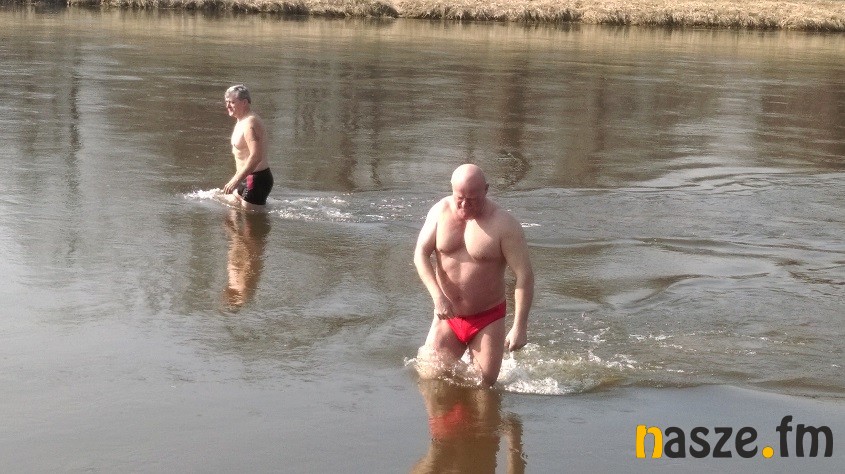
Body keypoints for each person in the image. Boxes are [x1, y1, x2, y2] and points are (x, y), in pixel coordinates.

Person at [413, 164, 534, 387]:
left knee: (482, 389)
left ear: (486, 190)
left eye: (472, 199)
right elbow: (420, 253)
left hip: (487, 319)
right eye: (460, 198)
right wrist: (437, 297)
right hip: (447, 315)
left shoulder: (504, 225)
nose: (465, 205)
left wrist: (520, 326)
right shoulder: (439, 212)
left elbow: (524, 275)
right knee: (430, 380)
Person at [222, 84, 273, 210]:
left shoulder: (251, 123)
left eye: (232, 102)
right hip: (244, 177)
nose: (228, 106)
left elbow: (256, 156)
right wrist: (237, 179)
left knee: (250, 220)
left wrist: (235, 181)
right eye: (226, 102)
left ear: (244, 102)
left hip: (256, 179)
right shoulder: (241, 120)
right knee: (231, 216)